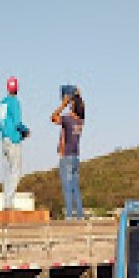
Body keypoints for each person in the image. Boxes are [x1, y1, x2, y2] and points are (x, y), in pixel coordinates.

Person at [51, 89, 85, 219]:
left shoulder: (68, 119)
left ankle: (69, 216)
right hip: (76, 157)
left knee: (67, 187)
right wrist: (77, 96)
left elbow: (53, 117)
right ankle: (80, 215)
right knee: (75, 188)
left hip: (66, 157)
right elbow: (82, 106)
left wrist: (63, 104)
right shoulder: (80, 121)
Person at [0, 76, 30, 209]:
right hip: (13, 139)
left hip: (4, 139)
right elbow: (17, 123)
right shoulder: (14, 102)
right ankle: (9, 202)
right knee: (16, 171)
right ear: (17, 88)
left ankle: (7, 202)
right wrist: (25, 131)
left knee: (8, 172)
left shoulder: (2, 103)